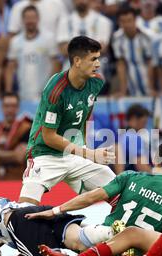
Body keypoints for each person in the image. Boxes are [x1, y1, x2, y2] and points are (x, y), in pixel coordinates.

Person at [18, 36, 116, 206]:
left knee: (120, 192)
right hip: (45, 154)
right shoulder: (56, 90)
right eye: (93, 59)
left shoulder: (97, 82)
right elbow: (49, 137)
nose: (98, 64)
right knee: (24, 210)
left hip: (75, 153)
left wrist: (84, 148)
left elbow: (86, 115)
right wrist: (90, 154)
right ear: (77, 61)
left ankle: (118, 230)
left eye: (99, 58)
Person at [26, 143, 162, 235]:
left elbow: (91, 197)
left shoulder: (130, 177)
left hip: (104, 240)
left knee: (64, 231)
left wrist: (55, 211)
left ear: (155, 159)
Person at [4, 5, 60, 102]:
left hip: (45, 95)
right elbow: (10, 68)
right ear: (22, 20)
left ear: (38, 19)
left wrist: (50, 88)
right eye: (27, 18)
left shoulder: (49, 38)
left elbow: (56, 64)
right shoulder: (15, 41)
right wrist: (8, 92)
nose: (30, 21)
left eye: (33, 18)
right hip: (23, 94)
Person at [112, 5, 155, 97]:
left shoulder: (148, 36)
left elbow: (151, 63)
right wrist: (122, 91)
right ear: (119, 22)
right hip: (131, 83)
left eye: (129, 20)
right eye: (123, 21)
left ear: (135, 20)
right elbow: (121, 65)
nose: (127, 25)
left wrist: (152, 88)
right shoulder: (117, 38)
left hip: (149, 82)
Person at [0, 92, 32, 180]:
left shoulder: (26, 128)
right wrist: (10, 154)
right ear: (1, 107)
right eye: (6, 106)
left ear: (18, 108)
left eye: (13, 106)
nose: (10, 110)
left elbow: (19, 157)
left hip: (17, 177)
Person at [114, 104, 152, 174]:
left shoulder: (120, 135)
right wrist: (158, 176)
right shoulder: (133, 138)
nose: (145, 126)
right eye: (144, 122)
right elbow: (140, 166)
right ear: (133, 119)